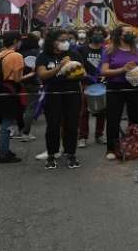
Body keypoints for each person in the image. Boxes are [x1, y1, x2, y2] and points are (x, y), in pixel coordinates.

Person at [101, 24, 138, 160]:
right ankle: (111, 149)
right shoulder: (109, 50)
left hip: (136, 87)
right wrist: (122, 69)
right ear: (119, 35)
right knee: (113, 118)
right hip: (115, 88)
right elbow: (104, 71)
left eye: (132, 32)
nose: (131, 34)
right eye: (127, 32)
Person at [36, 29, 85, 170]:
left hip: (72, 94)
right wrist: (59, 67)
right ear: (52, 41)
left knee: (71, 125)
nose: (65, 43)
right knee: (53, 125)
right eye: (62, 40)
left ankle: (71, 153)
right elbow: (42, 75)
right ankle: (52, 154)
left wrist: (73, 68)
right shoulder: (44, 56)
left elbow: (83, 73)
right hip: (52, 96)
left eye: (67, 40)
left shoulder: (74, 54)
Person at [0, 31, 25, 164]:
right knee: (7, 123)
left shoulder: (0, 54)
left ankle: (4, 150)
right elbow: (17, 79)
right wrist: (31, 75)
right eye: (19, 40)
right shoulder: (16, 56)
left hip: (1, 90)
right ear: (15, 41)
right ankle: (3, 154)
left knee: (6, 122)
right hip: (11, 90)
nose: (20, 43)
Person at [77, 26, 108, 147]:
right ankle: (82, 137)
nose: (98, 35)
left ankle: (99, 135)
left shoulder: (107, 50)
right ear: (90, 35)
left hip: (102, 84)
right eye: (95, 33)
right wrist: (85, 74)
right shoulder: (81, 49)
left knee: (102, 110)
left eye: (101, 33)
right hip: (86, 83)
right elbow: (78, 65)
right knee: (84, 111)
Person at [18, 34, 41, 142]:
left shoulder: (19, 53)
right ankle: (25, 132)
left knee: (22, 107)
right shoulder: (37, 53)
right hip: (33, 82)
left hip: (20, 82)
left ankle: (20, 129)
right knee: (30, 108)